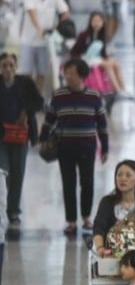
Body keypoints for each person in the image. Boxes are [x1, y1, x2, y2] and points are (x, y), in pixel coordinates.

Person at [39, 59, 108, 235]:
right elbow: (48, 120)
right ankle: (70, 221)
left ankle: (86, 218)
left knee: (88, 183)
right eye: (66, 72)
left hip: (87, 148)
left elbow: (101, 124)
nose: (67, 76)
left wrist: (105, 147)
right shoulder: (58, 95)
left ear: (82, 76)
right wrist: (43, 139)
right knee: (68, 184)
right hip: (65, 148)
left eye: (71, 72)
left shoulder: (93, 96)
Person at [0, 53, 43, 228]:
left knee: (17, 174)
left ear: (16, 67)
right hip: (1, 137)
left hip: (20, 136)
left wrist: (26, 111)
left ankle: (13, 211)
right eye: (4, 65)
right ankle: (2, 208)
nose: (8, 69)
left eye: (11, 65)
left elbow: (39, 102)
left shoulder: (25, 83)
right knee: (3, 174)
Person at [19, 0, 70, 93]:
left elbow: (65, 12)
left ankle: (37, 98)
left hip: (46, 43)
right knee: (26, 74)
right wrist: (40, 30)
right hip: (28, 41)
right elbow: (32, 14)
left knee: (42, 74)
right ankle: (26, 100)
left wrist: (56, 27)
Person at [69, 12, 130, 97]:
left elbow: (103, 53)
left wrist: (108, 58)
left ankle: (123, 89)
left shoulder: (102, 36)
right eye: (94, 21)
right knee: (108, 65)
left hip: (97, 59)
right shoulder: (84, 35)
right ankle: (117, 90)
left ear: (103, 23)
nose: (96, 23)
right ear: (90, 22)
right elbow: (74, 51)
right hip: (85, 59)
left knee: (116, 64)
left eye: (99, 21)